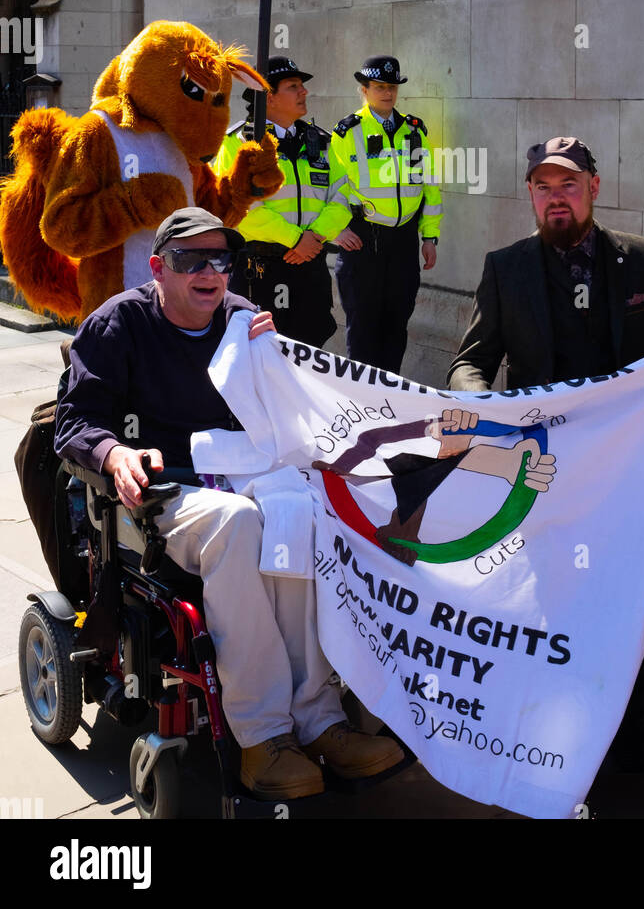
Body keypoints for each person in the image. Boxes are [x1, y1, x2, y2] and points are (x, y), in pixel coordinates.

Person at [54, 206, 402, 800]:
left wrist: (280, 363)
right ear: (159, 268)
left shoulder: (244, 319)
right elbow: (75, 420)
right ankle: (262, 736)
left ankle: (320, 721)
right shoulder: (118, 324)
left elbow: (291, 408)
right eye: (192, 260)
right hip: (164, 492)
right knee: (240, 523)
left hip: (246, 476)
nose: (210, 272)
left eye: (221, 259)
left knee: (303, 516)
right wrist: (115, 455)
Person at [447, 137, 644, 789]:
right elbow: (471, 358)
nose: (556, 196)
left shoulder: (641, 259)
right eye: (544, 185)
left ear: (594, 188)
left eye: (568, 184)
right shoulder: (506, 268)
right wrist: (482, 408)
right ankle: (567, 713)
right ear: (530, 194)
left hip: (631, 464)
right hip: (546, 472)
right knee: (556, 590)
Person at [212, 56, 351, 347]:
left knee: (311, 342)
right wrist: (294, 239)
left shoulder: (320, 142)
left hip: (311, 262)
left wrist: (313, 237)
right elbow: (241, 207)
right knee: (261, 348)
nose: (304, 92)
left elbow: (342, 195)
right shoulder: (239, 143)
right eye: (294, 86)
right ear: (269, 97)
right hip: (260, 268)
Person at [330, 55, 442, 373]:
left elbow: (429, 188)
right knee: (363, 329)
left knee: (396, 326)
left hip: (404, 241)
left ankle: (392, 400)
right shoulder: (346, 132)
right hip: (362, 240)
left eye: (392, 86)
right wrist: (336, 230)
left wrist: (430, 236)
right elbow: (330, 189)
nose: (387, 93)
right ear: (363, 90)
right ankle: (363, 407)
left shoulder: (415, 130)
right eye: (380, 86)